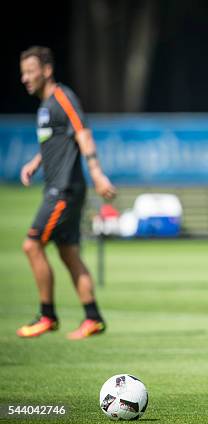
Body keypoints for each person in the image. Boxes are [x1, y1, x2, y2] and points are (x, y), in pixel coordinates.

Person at [17, 46, 116, 340]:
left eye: (30, 71)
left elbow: (82, 133)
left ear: (47, 70)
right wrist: (36, 162)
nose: (25, 78)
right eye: (22, 73)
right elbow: (56, 140)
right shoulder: (45, 105)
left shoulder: (62, 97)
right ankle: (93, 318)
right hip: (58, 186)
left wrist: (97, 173)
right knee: (68, 252)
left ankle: (47, 315)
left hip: (63, 190)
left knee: (31, 245)